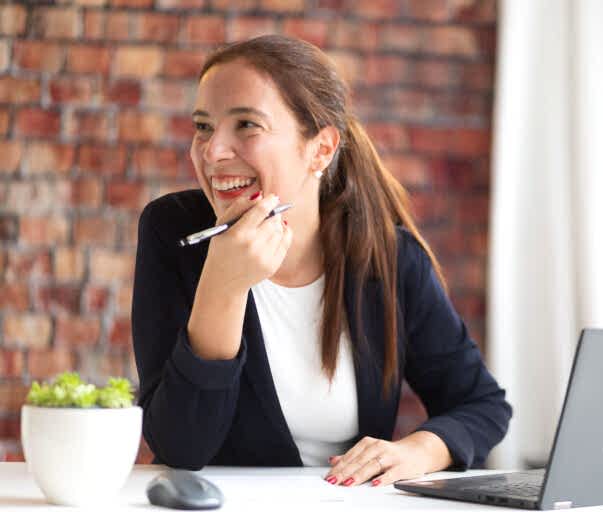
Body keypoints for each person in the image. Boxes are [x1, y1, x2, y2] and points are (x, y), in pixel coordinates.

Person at [131, 35, 511, 488]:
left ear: (322, 149)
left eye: (247, 125)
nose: (212, 152)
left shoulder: (389, 259)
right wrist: (223, 286)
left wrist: (418, 450)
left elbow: (482, 405)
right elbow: (181, 447)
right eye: (203, 127)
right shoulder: (172, 234)